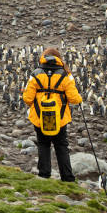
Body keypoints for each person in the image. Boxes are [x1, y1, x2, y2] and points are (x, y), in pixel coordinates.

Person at [21, 48, 83, 182]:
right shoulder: (65, 74)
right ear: (58, 58)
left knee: (43, 144)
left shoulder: (36, 74)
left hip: (40, 116)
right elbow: (74, 98)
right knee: (61, 146)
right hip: (60, 118)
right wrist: (78, 98)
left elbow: (27, 98)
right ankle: (67, 177)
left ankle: (44, 174)